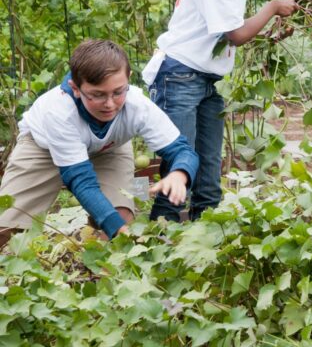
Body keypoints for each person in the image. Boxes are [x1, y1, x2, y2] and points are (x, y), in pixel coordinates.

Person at [142, 0, 296, 222]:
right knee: (178, 161)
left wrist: (272, 34)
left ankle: (207, 231)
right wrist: (270, 9)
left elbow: (234, 31)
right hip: (179, 76)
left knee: (209, 162)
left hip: (206, 80)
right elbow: (236, 35)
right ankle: (161, 235)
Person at [0, 39, 199, 246]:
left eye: (118, 92)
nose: (110, 104)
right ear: (75, 88)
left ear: (128, 79)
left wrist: (179, 174)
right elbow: (81, 181)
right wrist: (117, 230)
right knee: (7, 228)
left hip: (109, 149)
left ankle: (106, 274)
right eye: (97, 95)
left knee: (121, 215)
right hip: (43, 148)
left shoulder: (138, 106)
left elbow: (183, 151)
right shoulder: (59, 112)